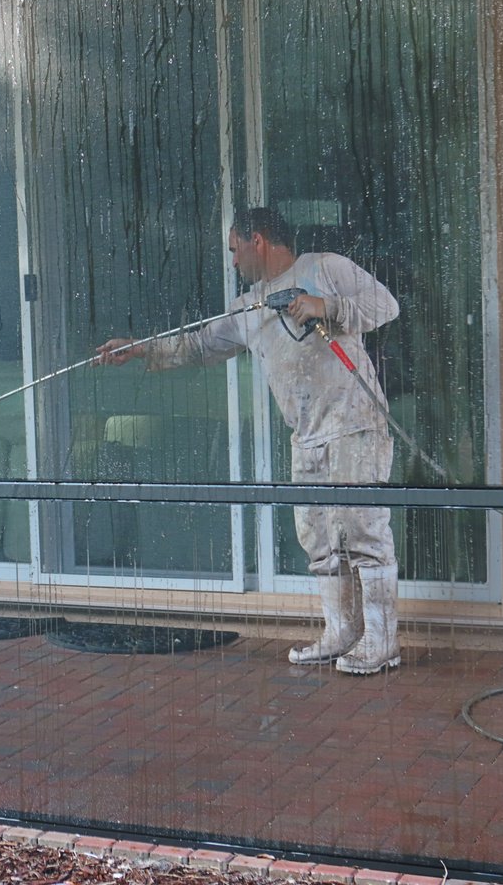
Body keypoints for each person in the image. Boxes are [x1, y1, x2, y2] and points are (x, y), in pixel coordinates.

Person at [94, 207, 401, 675]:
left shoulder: (325, 268)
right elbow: (198, 345)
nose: (233, 261)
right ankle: (342, 633)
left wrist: (327, 307)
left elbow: (386, 306)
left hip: (355, 424)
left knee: (364, 534)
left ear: (257, 240)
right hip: (307, 436)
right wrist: (138, 349)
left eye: (235, 249)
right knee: (319, 540)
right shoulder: (249, 307)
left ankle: (382, 643)